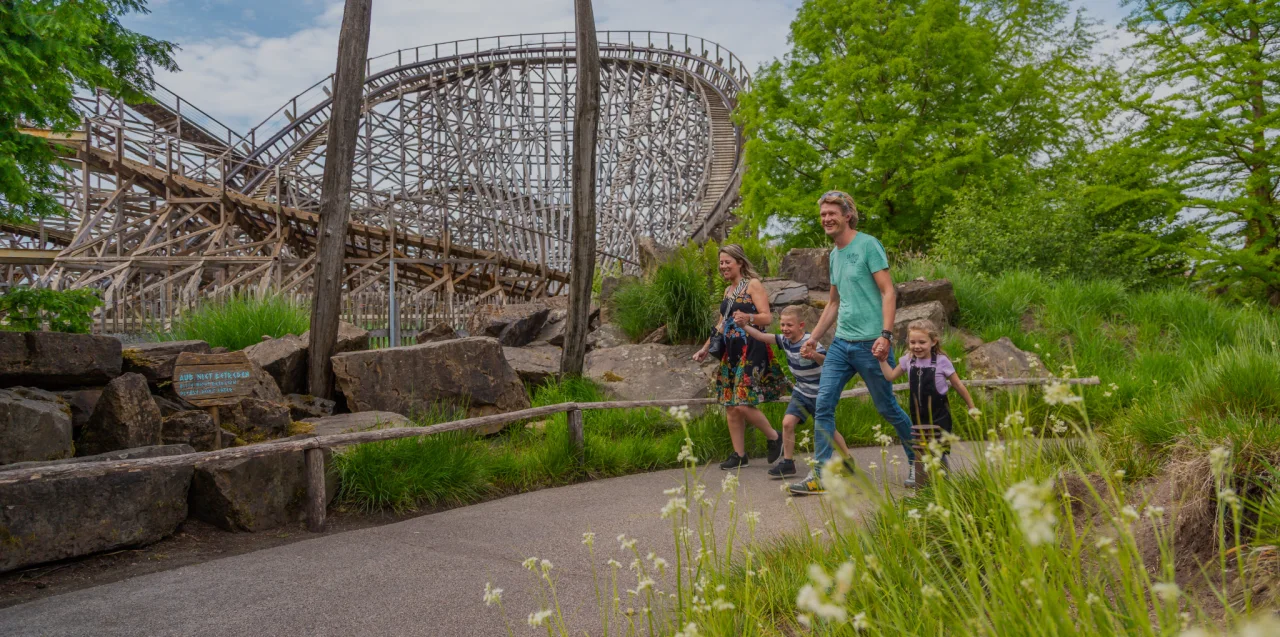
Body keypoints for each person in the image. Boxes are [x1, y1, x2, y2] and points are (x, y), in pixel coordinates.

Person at [790, 190, 917, 495]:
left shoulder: (868, 246)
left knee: (887, 408)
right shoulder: (834, 255)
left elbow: (889, 292)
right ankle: (820, 475)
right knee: (823, 404)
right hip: (841, 344)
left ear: (847, 215)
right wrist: (814, 339)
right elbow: (833, 303)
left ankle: (920, 460)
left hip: (871, 343)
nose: (826, 219)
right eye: (822, 215)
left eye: (832, 213)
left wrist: (885, 336)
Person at [693, 244, 788, 470]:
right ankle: (739, 454)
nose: (723, 266)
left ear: (740, 263)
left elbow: (767, 318)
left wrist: (748, 317)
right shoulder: (728, 291)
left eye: (727, 262)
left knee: (743, 402)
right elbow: (721, 323)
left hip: (752, 346)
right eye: (721, 262)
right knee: (730, 403)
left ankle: (775, 437)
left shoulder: (752, 285)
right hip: (731, 350)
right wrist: (706, 348)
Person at [737, 304, 853, 479]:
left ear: (801, 325)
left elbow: (828, 362)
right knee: (787, 423)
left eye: (789, 325)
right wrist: (744, 326)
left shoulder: (810, 341)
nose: (785, 329)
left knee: (828, 430)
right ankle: (788, 463)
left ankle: (847, 459)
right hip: (801, 391)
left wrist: (813, 354)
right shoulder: (784, 341)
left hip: (819, 392)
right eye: (783, 325)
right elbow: (761, 336)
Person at [879, 319, 977, 468]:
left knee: (938, 451)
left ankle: (944, 482)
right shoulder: (908, 360)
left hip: (939, 415)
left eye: (922, 342)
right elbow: (890, 376)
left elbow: (958, 384)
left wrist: (971, 406)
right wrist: (881, 360)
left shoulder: (941, 361)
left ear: (933, 342)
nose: (917, 346)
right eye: (913, 342)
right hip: (918, 415)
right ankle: (925, 483)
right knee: (923, 450)